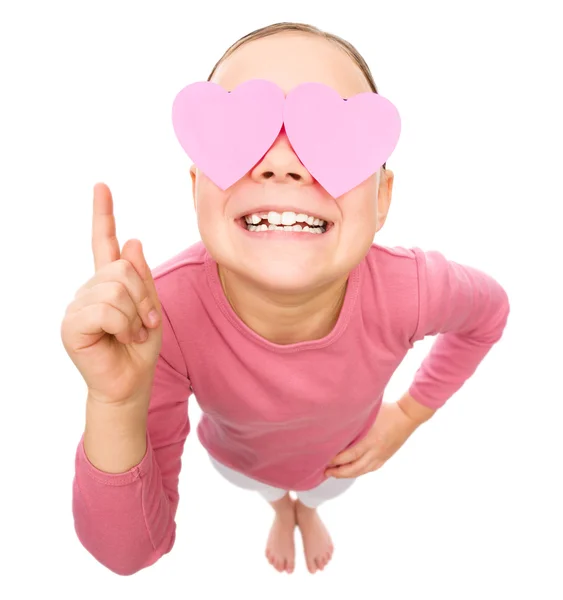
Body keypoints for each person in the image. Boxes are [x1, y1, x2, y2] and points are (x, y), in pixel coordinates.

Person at [60, 22, 510, 577]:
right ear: (196, 188)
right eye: (241, 136)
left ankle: (308, 510)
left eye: (330, 139)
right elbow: (128, 553)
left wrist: (408, 417)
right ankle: (280, 508)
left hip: (343, 459)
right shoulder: (159, 322)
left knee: (321, 493)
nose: (283, 163)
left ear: (382, 197)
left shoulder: (413, 288)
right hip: (240, 459)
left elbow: (490, 315)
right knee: (265, 487)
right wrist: (116, 403)